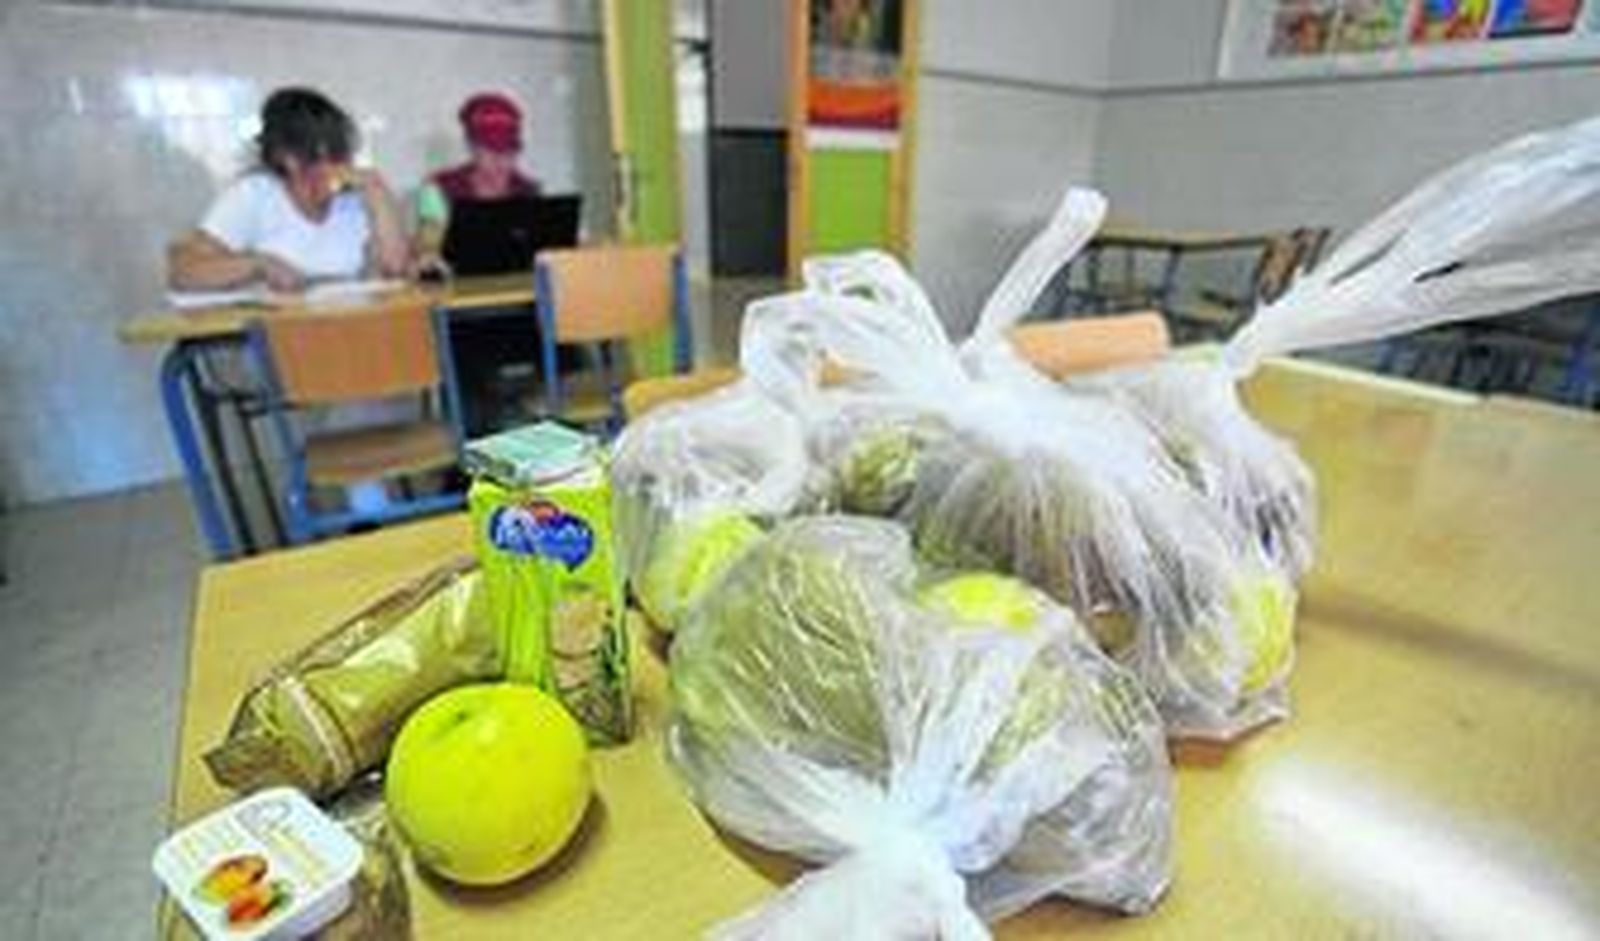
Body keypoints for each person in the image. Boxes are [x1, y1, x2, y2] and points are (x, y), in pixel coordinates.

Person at [168, 86, 410, 291]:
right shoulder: (254, 195)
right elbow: (183, 271)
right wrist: (258, 264)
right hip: (278, 328)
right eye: (317, 156)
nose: (333, 166)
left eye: (338, 154)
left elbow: (395, 268)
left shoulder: (356, 199)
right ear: (287, 159)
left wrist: (378, 192)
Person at [413, 91, 541, 272]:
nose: (500, 159)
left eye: (509, 150)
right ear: (471, 146)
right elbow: (426, 250)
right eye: (491, 149)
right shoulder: (438, 189)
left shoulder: (529, 191)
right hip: (460, 287)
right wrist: (428, 257)